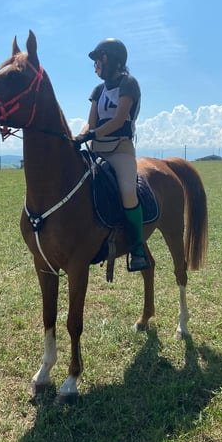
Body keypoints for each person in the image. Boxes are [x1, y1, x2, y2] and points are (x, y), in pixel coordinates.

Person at [73, 38, 149, 271]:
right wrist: (79, 137)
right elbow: (90, 123)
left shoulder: (129, 84)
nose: (95, 64)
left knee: (128, 192)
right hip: (96, 150)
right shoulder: (98, 90)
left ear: (112, 60)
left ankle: (137, 248)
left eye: (99, 59)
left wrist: (92, 134)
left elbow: (118, 121)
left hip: (120, 150)